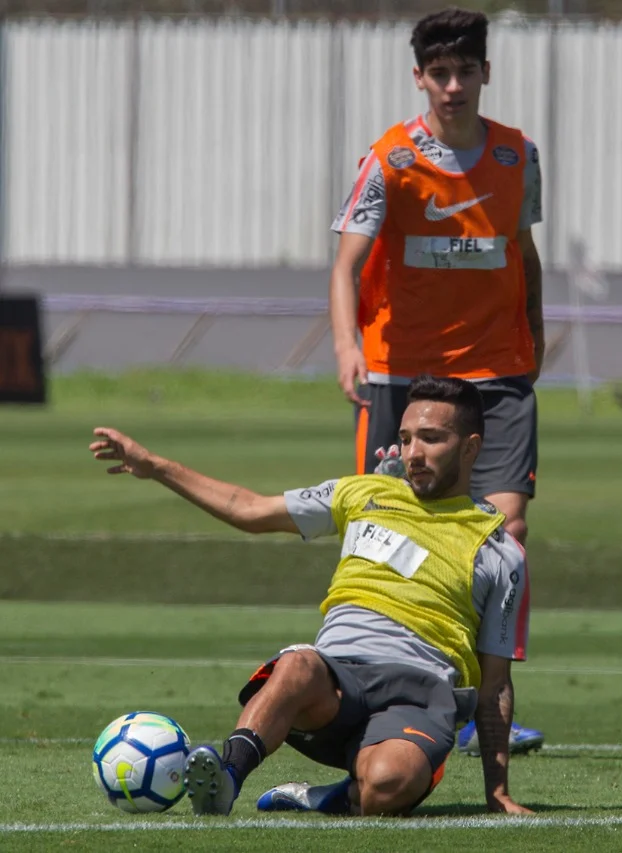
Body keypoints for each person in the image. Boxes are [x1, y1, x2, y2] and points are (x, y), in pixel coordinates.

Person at [88, 375, 533, 818]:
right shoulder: (364, 492)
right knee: (298, 663)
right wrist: (154, 466)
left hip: (419, 692)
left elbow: (494, 685)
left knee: (384, 788)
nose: (413, 453)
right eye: (405, 438)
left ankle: (332, 795)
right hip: (335, 680)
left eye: (431, 439)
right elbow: (249, 509)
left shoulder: (498, 549)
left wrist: (498, 794)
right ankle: (227, 775)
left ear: (471, 447)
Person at [328, 6, 544, 755]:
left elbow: (523, 250)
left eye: (465, 71)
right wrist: (346, 345)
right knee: (382, 529)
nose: (453, 86)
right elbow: (347, 265)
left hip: (499, 371)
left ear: (487, 73)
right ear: (419, 78)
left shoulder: (519, 156)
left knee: (507, 533)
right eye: (439, 74)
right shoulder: (389, 159)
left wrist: (537, 332)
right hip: (400, 372)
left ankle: (493, 707)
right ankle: (379, 688)